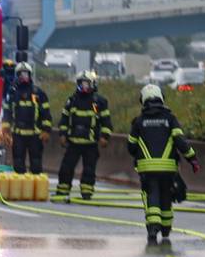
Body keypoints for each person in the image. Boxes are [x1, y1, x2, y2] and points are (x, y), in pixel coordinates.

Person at [125, 83, 197, 245]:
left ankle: (153, 228)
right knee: (166, 195)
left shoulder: (138, 122)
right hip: (168, 169)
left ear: (143, 100)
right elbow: (180, 141)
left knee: (151, 195)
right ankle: (166, 228)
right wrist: (192, 158)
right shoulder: (170, 119)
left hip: (147, 169)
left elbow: (131, 146)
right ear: (161, 98)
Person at [54, 70, 111, 202]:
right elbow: (64, 120)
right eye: (81, 84)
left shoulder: (100, 102)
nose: (84, 87)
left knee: (89, 169)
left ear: (93, 84)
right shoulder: (72, 101)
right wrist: (62, 134)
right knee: (66, 168)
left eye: (87, 84)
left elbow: (106, 122)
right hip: (73, 142)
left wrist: (105, 137)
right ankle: (62, 190)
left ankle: (86, 192)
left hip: (91, 143)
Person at [5, 64, 50, 174]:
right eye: (21, 74)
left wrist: (46, 130)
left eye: (26, 74)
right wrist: (5, 130)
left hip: (35, 135)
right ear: (17, 75)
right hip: (18, 135)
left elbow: (45, 114)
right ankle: (20, 187)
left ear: (30, 75)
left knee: (36, 163)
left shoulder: (38, 93)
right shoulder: (12, 93)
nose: (24, 77)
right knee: (18, 163)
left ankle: (34, 187)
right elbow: (7, 113)